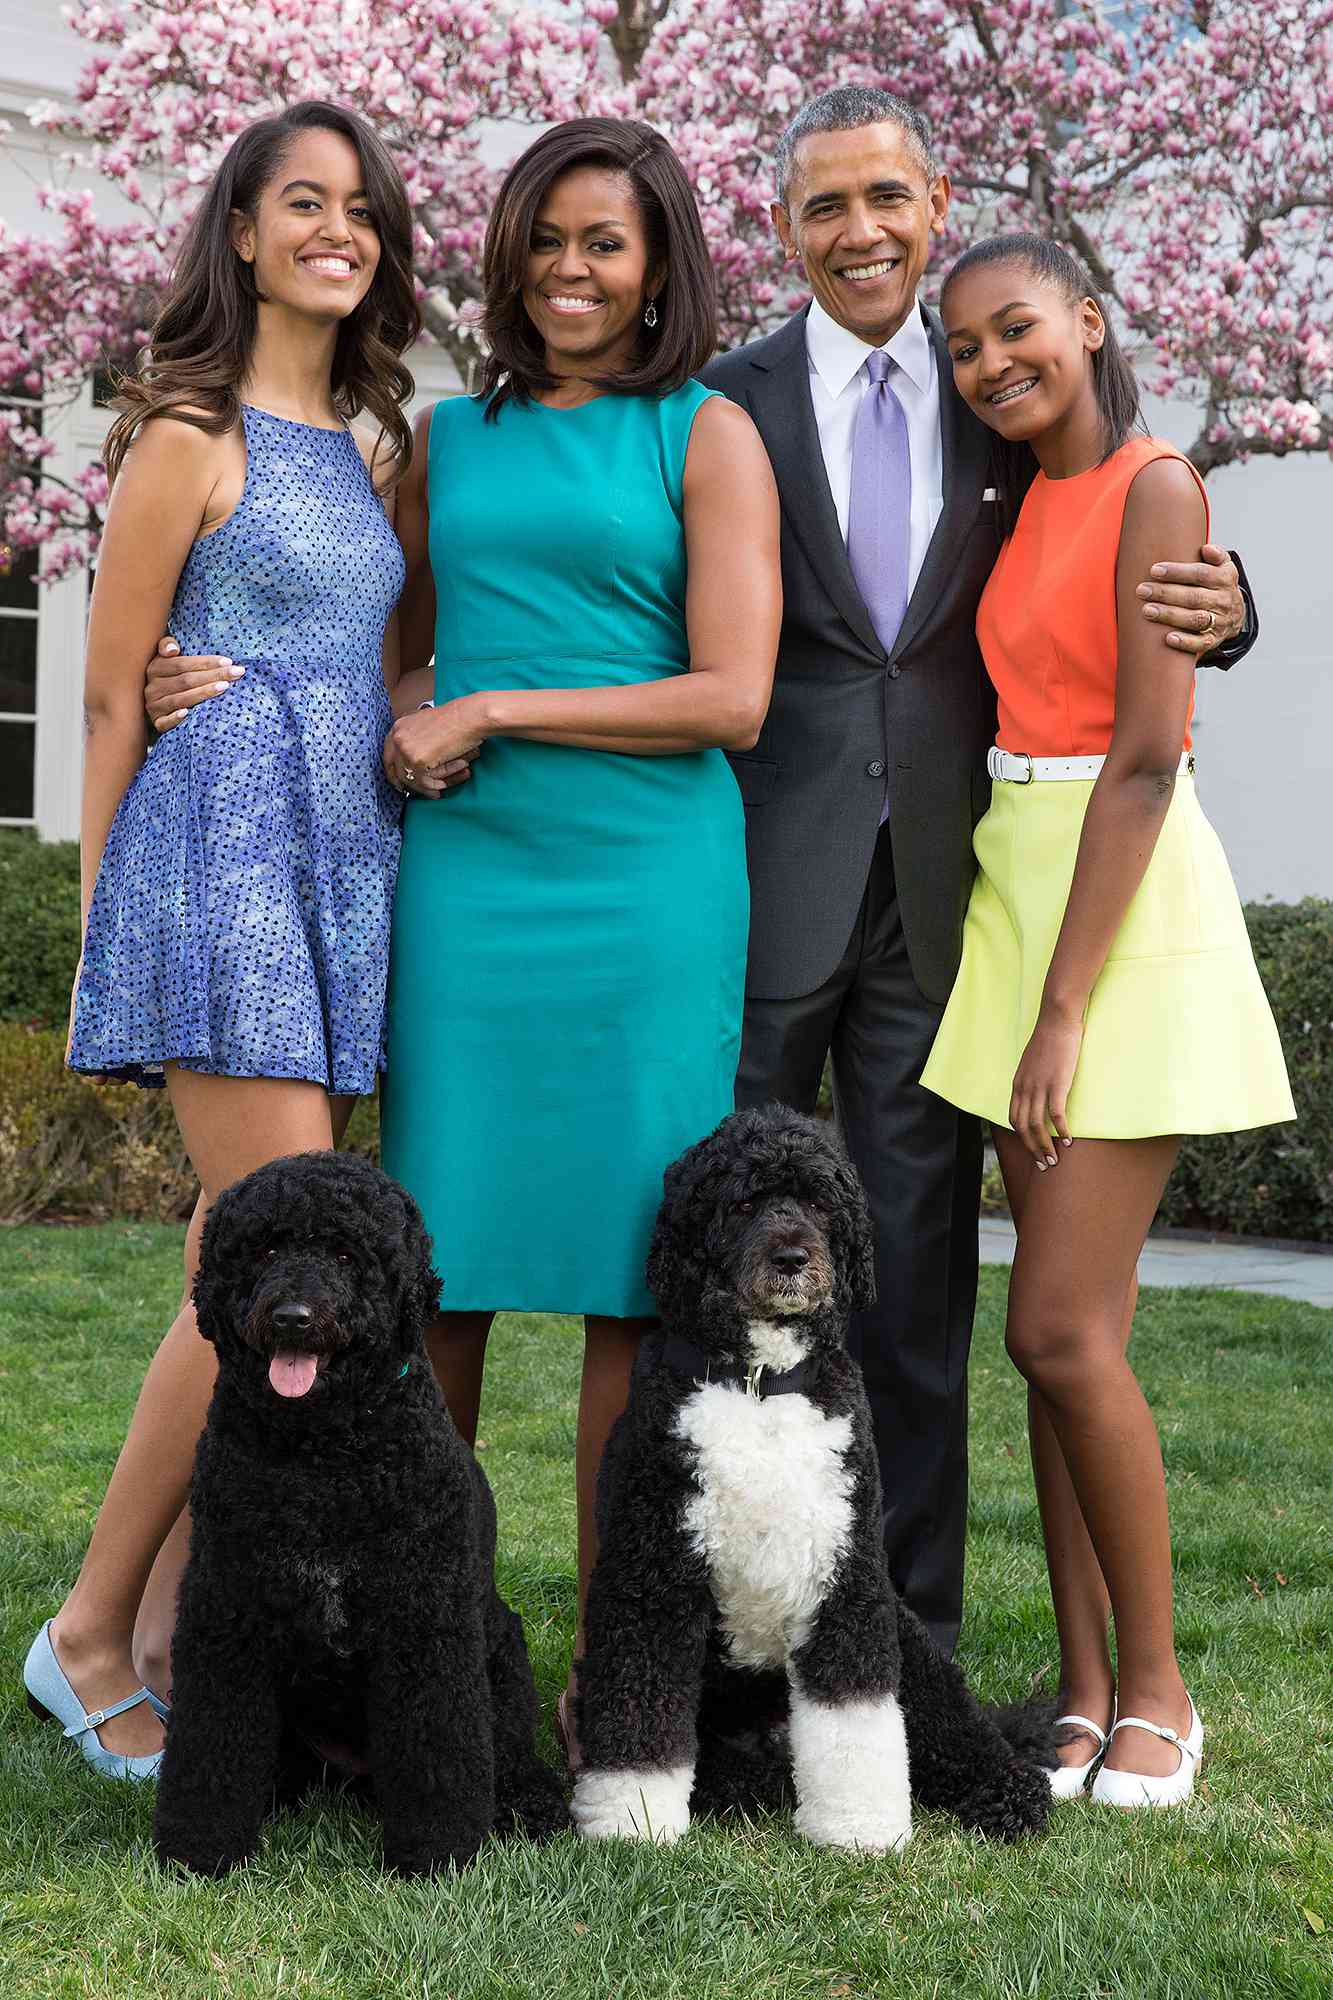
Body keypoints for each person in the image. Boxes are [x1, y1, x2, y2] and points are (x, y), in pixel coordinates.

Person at [699, 86, 1256, 1657]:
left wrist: (1229, 600)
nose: (857, 231)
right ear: (785, 229)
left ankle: (907, 1644)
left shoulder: (995, 383)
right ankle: (721, 1627)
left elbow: (1123, 535)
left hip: (955, 907)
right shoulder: (724, 402)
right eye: (822, 206)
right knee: (715, 1266)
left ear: (934, 203)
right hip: (759, 882)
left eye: (883, 197)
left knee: (914, 1287)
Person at [24, 100, 419, 1778]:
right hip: (220, 855)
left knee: (237, 1253)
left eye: (360, 209)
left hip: (346, 853)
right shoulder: (183, 431)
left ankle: (174, 1628)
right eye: (301, 204)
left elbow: (376, 656)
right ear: (242, 233)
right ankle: (93, 1632)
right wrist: (109, 916)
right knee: (255, 1251)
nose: (337, 230)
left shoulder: (381, 439)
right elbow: (114, 688)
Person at [377, 117, 780, 1762]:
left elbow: (732, 698)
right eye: (544, 237)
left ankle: (615, 1696)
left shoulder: (709, 434)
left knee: (635, 1289)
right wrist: (412, 707)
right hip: (471, 890)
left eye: (603, 242)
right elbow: (389, 654)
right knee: (433, 1277)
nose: (568, 270)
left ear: (659, 260)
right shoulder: (440, 440)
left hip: (644, 890)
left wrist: (496, 704)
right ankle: (423, 1683)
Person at [920, 232, 1293, 1805]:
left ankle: (1158, 1692)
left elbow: (1144, 758)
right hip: (1015, 883)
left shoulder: (1155, 483)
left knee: (1054, 1328)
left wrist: (1061, 1011)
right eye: (962, 349)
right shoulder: (1012, 497)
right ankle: (1077, 1692)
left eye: (1016, 330)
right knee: (1061, 1348)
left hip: (1113, 905)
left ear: (1088, 317)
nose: (992, 364)